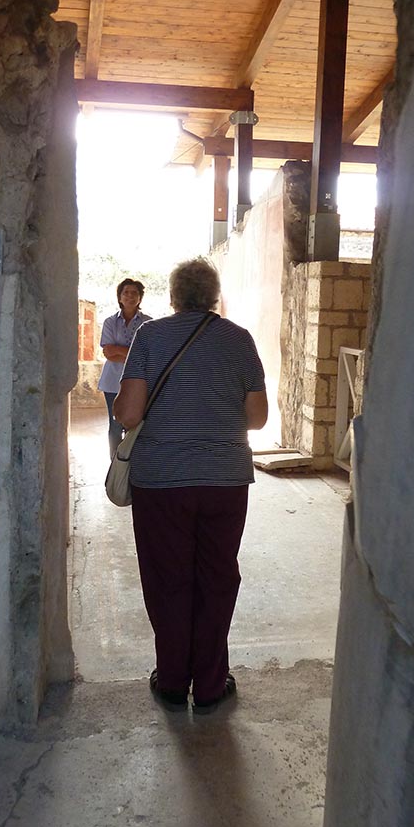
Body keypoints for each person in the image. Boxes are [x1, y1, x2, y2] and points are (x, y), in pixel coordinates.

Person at [113, 257, 268, 714]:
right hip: (224, 481)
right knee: (217, 577)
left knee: (169, 578)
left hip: (161, 482)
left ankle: (173, 679)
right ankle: (211, 684)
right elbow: (257, 419)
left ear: (174, 297)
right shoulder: (239, 340)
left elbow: (129, 414)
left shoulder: (151, 336)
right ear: (214, 296)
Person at [98, 278, 152, 459]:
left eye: (134, 293)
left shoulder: (149, 323)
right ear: (119, 297)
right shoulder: (110, 322)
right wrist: (133, 353)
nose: (130, 296)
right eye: (126, 293)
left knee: (135, 424)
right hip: (112, 382)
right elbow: (107, 352)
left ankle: (133, 462)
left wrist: (118, 351)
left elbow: (148, 354)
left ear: (140, 298)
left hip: (139, 382)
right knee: (115, 425)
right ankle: (115, 464)